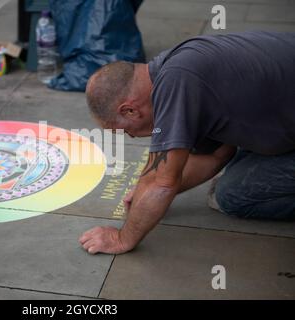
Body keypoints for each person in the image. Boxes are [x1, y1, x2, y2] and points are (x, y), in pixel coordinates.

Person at [79, 31, 295, 255]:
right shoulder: (172, 66)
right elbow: (217, 153)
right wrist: (144, 193)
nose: (131, 137)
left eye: (124, 131)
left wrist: (122, 238)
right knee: (238, 172)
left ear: (130, 110)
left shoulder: (177, 81)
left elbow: (162, 183)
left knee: (232, 195)